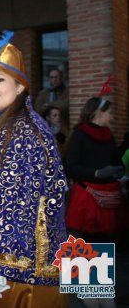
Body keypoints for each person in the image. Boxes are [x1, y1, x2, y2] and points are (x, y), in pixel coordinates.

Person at [0, 31, 67, 308]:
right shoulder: (4, 126)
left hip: (24, 270)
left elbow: (18, 201)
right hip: (17, 264)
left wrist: (1, 262)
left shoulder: (24, 130)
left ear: (20, 87)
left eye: (0, 79)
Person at [65, 97, 125, 238]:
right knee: (90, 247)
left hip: (109, 199)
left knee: (107, 247)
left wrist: (118, 171)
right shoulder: (79, 135)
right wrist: (97, 173)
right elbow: (70, 167)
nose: (112, 116)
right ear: (98, 112)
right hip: (88, 198)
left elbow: (117, 163)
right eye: (109, 112)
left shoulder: (109, 136)